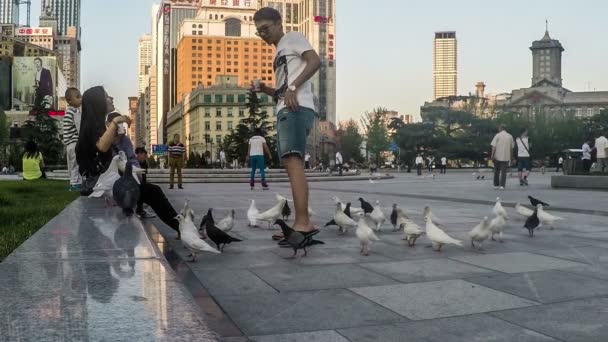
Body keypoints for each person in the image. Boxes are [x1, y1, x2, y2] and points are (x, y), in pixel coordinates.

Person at [76, 86, 182, 239]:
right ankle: (182, 228)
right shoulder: (91, 128)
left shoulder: (96, 126)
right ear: (98, 103)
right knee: (152, 192)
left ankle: (180, 227)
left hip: (109, 186)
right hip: (98, 189)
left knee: (151, 191)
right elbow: (101, 147)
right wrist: (116, 121)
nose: (111, 99)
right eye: (107, 97)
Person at [253, 6, 321, 237]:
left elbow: (314, 61)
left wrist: (293, 87)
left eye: (266, 28)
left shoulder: (292, 37)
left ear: (279, 23)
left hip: (296, 108)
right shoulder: (279, 51)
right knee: (291, 164)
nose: (263, 34)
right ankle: (299, 222)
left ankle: (303, 223)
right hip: (287, 107)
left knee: (294, 162)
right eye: (258, 31)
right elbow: (281, 92)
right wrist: (265, 89)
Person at [62, 87, 82, 191]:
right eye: (78, 97)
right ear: (69, 100)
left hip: (68, 144)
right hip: (74, 143)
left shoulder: (67, 112)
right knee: (76, 165)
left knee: (71, 165)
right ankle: (76, 184)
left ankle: (72, 183)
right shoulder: (75, 113)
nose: (80, 99)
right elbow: (79, 128)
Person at [134, 147, 157, 219]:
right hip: (135, 184)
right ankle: (140, 211)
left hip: (142, 183)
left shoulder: (144, 163)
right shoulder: (133, 163)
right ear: (139, 154)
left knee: (151, 192)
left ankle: (141, 210)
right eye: (144, 155)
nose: (145, 157)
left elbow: (144, 174)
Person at [490, 125, 514, 190]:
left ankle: (496, 184)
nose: (498, 129)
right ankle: (502, 185)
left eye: (498, 128)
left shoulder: (497, 135)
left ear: (501, 128)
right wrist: (511, 157)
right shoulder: (510, 136)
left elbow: (494, 147)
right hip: (506, 156)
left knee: (496, 171)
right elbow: (511, 149)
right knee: (504, 172)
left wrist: (492, 155)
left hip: (497, 156)